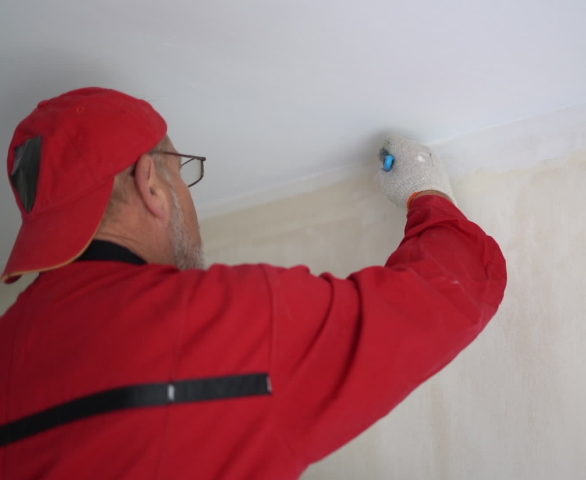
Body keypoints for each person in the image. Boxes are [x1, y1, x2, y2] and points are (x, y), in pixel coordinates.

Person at [0, 87, 507, 479]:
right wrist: (428, 198)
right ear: (150, 183)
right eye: (182, 174)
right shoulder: (220, 320)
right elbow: (441, 299)